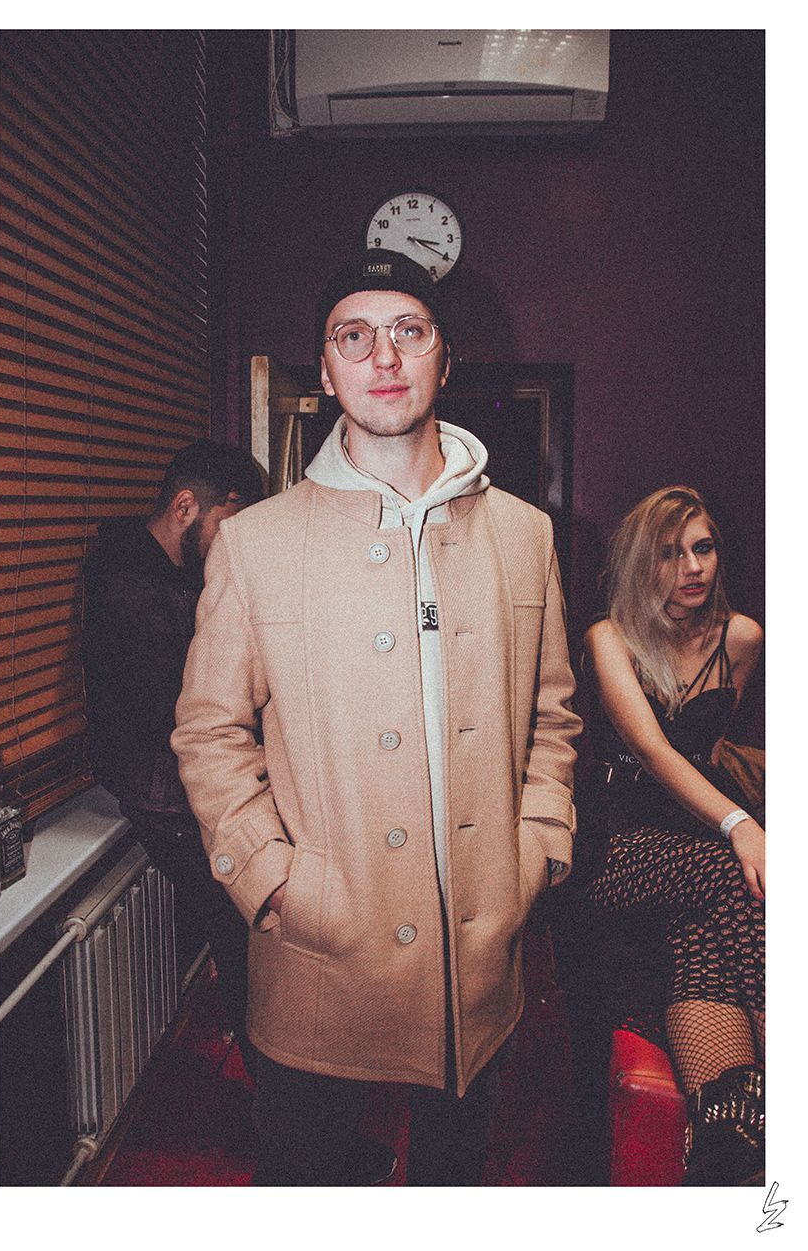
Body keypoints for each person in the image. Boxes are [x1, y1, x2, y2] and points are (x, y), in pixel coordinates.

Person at [171, 248, 582, 1186]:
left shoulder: (526, 534)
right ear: (325, 372)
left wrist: (537, 847)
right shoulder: (254, 544)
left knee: (452, 1190)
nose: (383, 357)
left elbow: (553, 717)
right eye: (353, 337)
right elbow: (208, 733)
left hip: (479, 958)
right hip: (320, 956)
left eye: (408, 331)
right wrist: (273, 878)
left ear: (445, 356)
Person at [556, 485, 764, 1186]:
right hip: (618, 838)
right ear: (642, 564)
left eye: (703, 548)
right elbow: (652, 750)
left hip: (695, 831)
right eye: (670, 553)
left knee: (701, 936)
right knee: (732, 873)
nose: (692, 567)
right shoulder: (608, 638)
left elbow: (713, 749)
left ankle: (728, 1139)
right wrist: (741, 827)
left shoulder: (741, 639)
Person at [80, 440, 265, 1079]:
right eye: (228, 523)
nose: (232, 542)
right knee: (248, 941)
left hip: (184, 784)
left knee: (250, 942)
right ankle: (278, 1103)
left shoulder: (172, 573)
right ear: (185, 507)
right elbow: (177, 710)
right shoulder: (129, 587)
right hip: (167, 795)